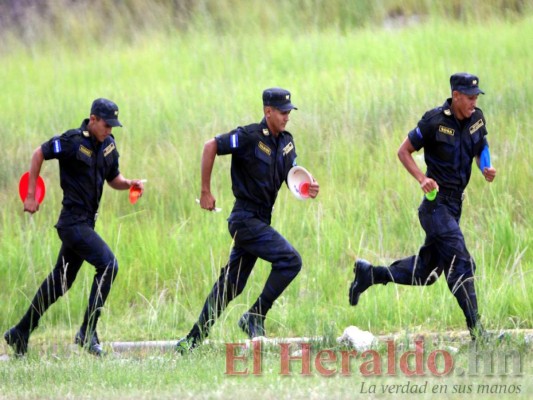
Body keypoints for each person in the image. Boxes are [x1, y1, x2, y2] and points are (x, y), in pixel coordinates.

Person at [349, 73, 497, 340]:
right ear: (456, 96)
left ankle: (369, 274)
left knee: (426, 273)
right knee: (461, 263)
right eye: (470, 97)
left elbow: (481, 145)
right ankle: (478, 333)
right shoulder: (434, 121)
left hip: (454, 206)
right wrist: (422, 178)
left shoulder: (477, 118)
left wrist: (485, 165)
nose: (475, 101)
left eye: (477, 97)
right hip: (434, 206)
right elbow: (403, 151)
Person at [176, 88, 319, 352]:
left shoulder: (287, 142)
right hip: (244, 218)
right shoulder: (249, 136)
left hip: (261, 220)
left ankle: (192, 340)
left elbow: (292, 174)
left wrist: (306, 187)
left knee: (231, 285)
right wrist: (205, 191)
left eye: (289, 111)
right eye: (283, 112)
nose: (288, 116)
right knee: (290, 260)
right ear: (268, 111)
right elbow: (210, 146)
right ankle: (255, 316)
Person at [4, 98, 145, 356]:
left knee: (60, 282)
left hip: (86, 223)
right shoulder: (72, 141)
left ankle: (20, 332)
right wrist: (31, 194)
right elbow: (39, 154)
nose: (109, 130)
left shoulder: (109, 147)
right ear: (92, 119)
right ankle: (87, 331)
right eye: (105, 124)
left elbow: (114, 178)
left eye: (113, 126)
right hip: (72, 222)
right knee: (109, 265)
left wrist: (130, 184)